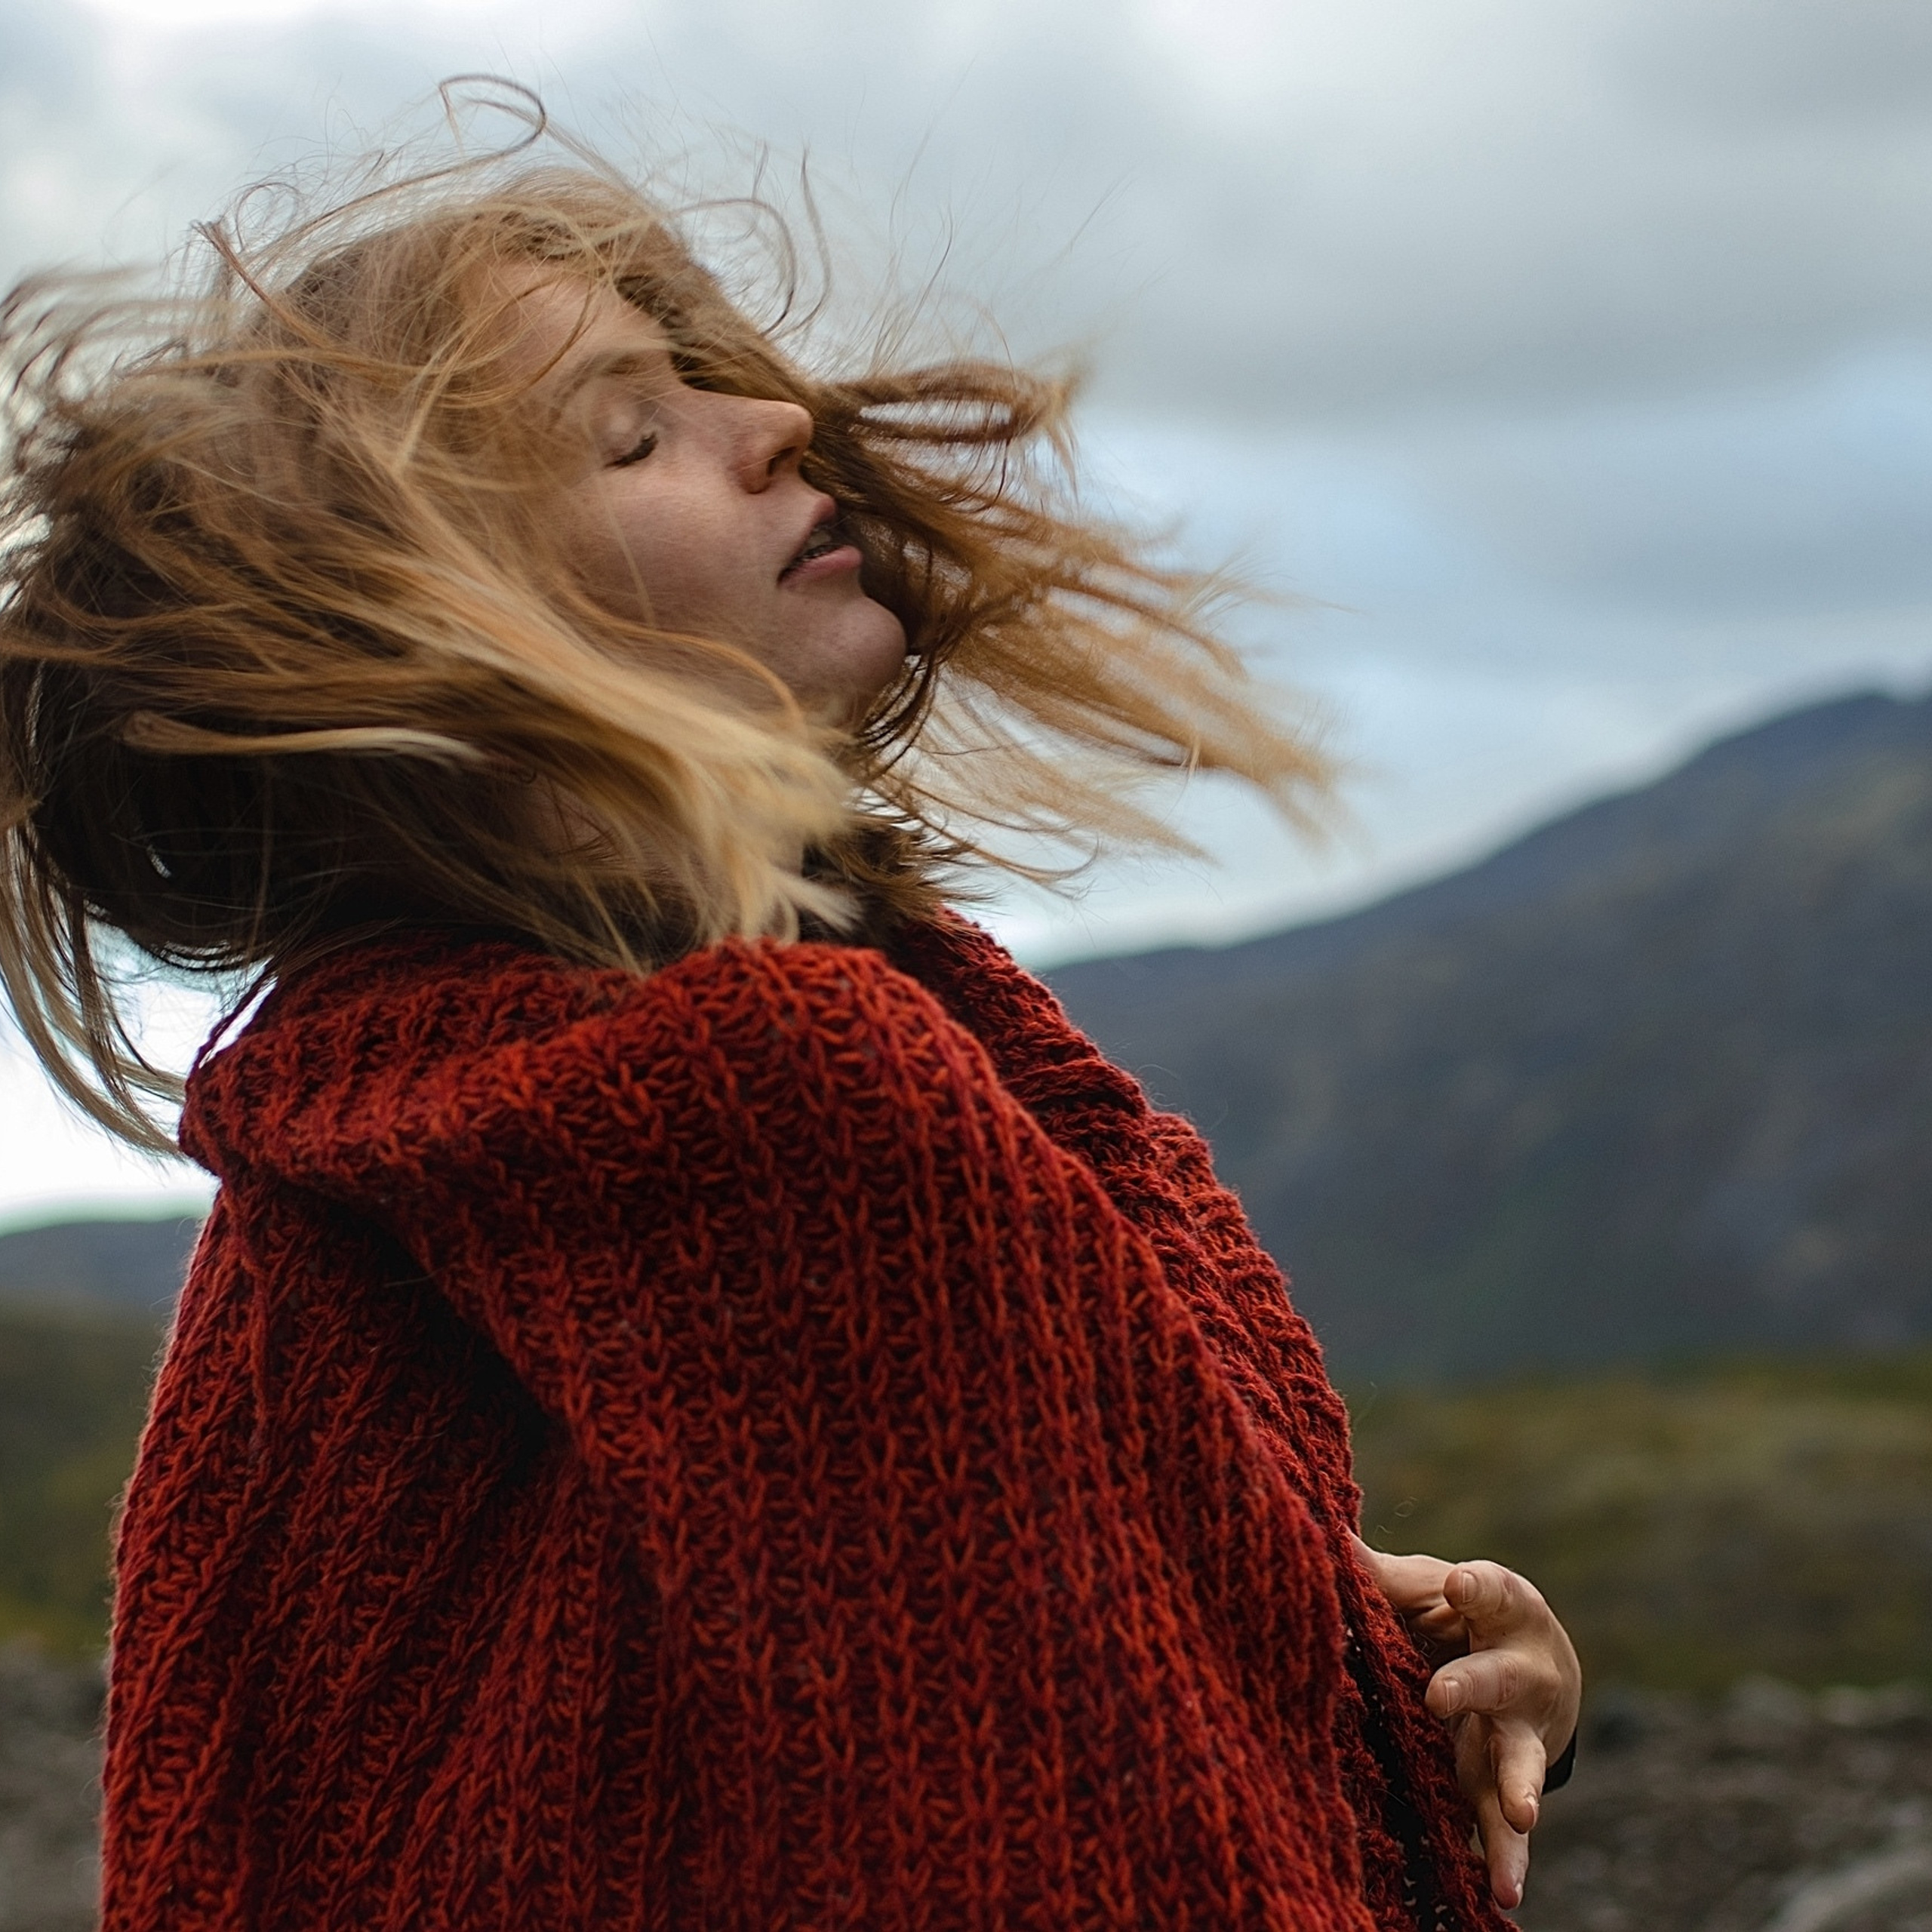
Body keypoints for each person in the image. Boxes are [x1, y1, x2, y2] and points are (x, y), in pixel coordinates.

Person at [0, 96, 1579, 1932]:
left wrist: (1391, 1672)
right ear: (421, 642)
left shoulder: (400, 1151)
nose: (780, 424)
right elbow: (1066, 1841)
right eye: (628, 433)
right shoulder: (779, 1097)